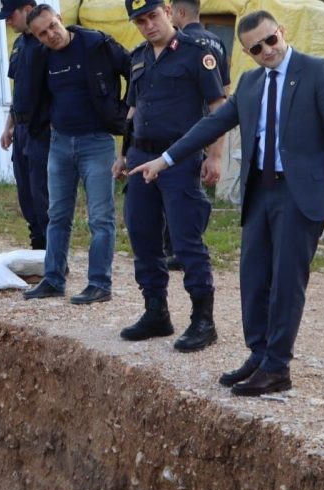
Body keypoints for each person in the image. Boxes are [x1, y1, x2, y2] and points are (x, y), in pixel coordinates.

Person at [130, 10, 324, 396]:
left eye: (270, 40)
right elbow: (210, 125)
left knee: (286, 281)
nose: (267, 50)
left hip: (300, 194)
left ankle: (278, 366)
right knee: (253, 277)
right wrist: (166, 159)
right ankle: (259, 354)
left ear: (282, 32)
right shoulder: (250, 84)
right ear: (248, 53)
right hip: (260, 191)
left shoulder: (318, 71)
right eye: (256, 48)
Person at [111, 0, 226, 352]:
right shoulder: (139, 57)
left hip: (180, 159)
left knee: (186, 241)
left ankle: (202, 321)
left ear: (169, 11)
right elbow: (132, 109)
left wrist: (216, 157)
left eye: (153, 16)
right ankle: (156, 311)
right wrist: (122, 154)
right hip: (141, 157)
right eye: (140, 21)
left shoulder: (197, 51)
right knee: (143, 236)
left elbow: (218, 108)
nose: (148, 25)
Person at [22, 4, 130, 305]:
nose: (50, 35)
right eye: (42, 34)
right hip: (59, 142)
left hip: (97, 142)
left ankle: (99, 283)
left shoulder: (96, 43)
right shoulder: (41, 57)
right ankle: (53, 279)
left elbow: (134, 69)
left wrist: (123, 112)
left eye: (52, 27)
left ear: (60, 20)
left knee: (100, 217)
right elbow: (31, 94)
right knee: (56, 215)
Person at [160, 0, 233, 273]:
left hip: (180, 127)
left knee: (174, 190)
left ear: (178, 12)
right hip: (207, 125)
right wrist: (215, 153)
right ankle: (187, 244)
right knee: (193, 188)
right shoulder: (217, 42)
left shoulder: (182, 42)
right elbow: (223, 90)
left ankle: (177, 248)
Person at [0, 0, 50, 252]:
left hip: (44, 129)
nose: (8, 21)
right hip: (21, 129)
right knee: (26, 193)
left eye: (11, 15)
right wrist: (9, 124)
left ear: (28, 10)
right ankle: (37, 250)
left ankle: (53, 255)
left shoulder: (47, 42)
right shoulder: (19, 45)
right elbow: (19, 89)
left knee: (43, 194)